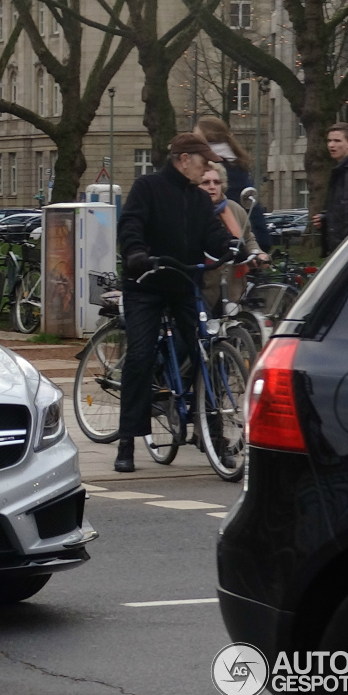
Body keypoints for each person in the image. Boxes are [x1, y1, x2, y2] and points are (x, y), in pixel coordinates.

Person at [114, 133, 240, 473]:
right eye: (203, 162)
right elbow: (130, 225)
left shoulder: (199, 200)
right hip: (146, 285)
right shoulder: (148, 188)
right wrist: (136, 252)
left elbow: (212, 234)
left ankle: (215, 436)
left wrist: (232, 246)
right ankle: (127, 439)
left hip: (184, 285)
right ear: (183, 159)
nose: (207, 168)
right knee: (140, 355)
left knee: (205, 352)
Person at [194, 116, 272, 249]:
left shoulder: (220, 166)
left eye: (196, 135)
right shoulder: (234, 162)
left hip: (237, 237)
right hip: (252, 233)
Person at [199, 162, 267, 312]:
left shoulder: (235, 208)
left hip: (234, 287)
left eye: (216, 182)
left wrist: (257, 253)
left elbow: (248, 238)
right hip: (204, 287)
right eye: (205, 182)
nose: (212, 186)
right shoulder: (192, 210)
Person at [313, 122, 348, 256]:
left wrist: (347, 251)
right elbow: (342, 209)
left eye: (337, 141)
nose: (331, 145)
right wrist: (326, 218)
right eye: (329, 141)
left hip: (347, 251)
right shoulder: (342, 170)